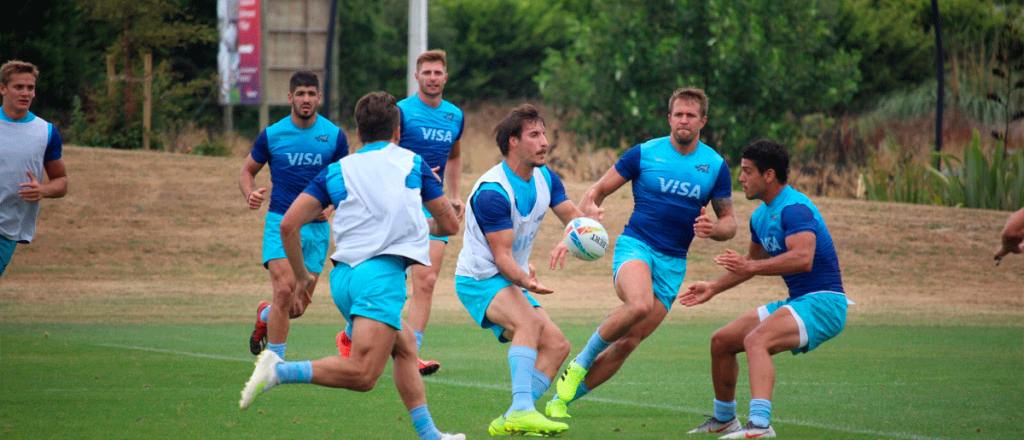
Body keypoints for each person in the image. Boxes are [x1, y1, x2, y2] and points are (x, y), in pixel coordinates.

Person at [239, 91, 464, 440]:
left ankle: (430, 435)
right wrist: (437, 202)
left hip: (343, 279)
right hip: (380, 278)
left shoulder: (338, 170)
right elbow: (448, 226)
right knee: (363, 376)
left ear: (358, 134)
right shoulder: (413, 164)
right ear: (398, 131)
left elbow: (287, 225)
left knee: (405, 348)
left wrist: (301, 277)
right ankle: (279, 372)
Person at [546, 87, 736, 418]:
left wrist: (714, 230)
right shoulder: (644, 153)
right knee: (638, 304)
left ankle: (560, 402)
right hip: (636, 246)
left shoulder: (715, 166)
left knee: (628, 343)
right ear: (669, 118)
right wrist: (580, 223)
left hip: (673, 263)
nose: (684, 120)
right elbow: (597, 191)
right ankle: (579, 363)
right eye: (678, 114)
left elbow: (730, 222)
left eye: (691, 115)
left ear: (702, 121)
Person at [679, 139, 850, 439]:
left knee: (756, 341)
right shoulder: (760, 217)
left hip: (825, 303)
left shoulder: (795, 209)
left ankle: (759, 426)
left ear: (768, 175)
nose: (741, 179)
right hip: (799, 301)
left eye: (747, 172)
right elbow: (751, 262)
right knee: (721, 341)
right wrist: (713, 288)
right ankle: (724, 419)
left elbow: (803, 258)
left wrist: (751, 268)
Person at [454, 104, 585, 436]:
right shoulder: (492, 193)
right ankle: (524, 408)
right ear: (513, 142)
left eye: (543, 133)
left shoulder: (545, 177)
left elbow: (574, 218)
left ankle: (514, 414)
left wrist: (584, 228)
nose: (544, 142)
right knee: (528, 323)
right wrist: (527, 280)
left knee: (557, 345)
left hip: (512, 277)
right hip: (480, 279)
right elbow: (502, 258)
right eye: (534, 135)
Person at [335, 50, 465, 376]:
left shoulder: (455, 115)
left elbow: (454, 156)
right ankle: (356, 335)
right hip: (399, 200)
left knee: (427, 279)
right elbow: (377, 150)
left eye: (438, 72)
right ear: (417, 77)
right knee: (395, 276)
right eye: (427, 72)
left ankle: (412, 351)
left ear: (445, 77)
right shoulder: (402, 112)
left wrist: (455, 194)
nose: (433, 77)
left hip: (432, 202)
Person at [239, 71, 348, 358]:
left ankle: (265, 316)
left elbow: (346, 178)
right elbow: (247, 171)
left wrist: (331, 206)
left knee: (296, 308)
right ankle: (274, 363)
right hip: (281, 223)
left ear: (319, 97)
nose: (306, 99)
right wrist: (250, 192)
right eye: (300, 94)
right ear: (290, 98)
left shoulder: (335, 136)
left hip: (316, 228)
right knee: (285, 291)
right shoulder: (272, 135)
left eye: (311, 93)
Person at [0, 60, 68, 277]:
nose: (25, 93)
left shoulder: (45, 132)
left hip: (6, 229)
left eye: (30, 88)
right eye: (18, 87)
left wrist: (42, 191)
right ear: (3, 89)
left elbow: (61, 181)